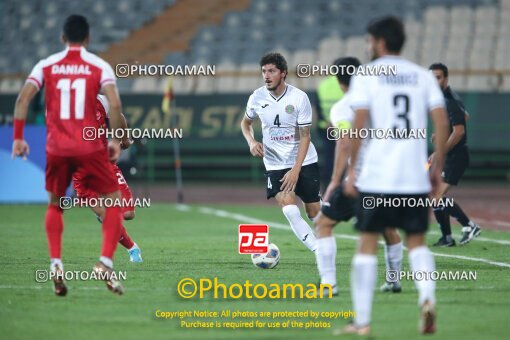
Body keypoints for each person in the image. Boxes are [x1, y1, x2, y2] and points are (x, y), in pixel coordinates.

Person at [340, 16, 449, 335]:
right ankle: (427, 300)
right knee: (416, 243)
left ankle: (362, 322)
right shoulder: (421, 75)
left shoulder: (366, 76)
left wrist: (351, 172)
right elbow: (441, 123)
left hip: (376, 177)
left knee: (366, 244)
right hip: (412, 176)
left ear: (380, 42)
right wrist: (436, 168)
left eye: (369, 41)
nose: (368, 46)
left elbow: (359, 125)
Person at [11, 15, 126, 296]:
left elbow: (23, 99)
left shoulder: (46, 64)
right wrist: (115, 139)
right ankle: (105, 263)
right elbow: (115, 103)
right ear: (87, 39)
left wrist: (17, 138)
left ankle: (55, 263)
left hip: (57, 147)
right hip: (89, 146)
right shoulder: (99, 66)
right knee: (114, 203)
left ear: (63, 38)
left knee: (55, 205)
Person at [314, 57, 403, 297]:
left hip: (360, 180)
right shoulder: (381, 102)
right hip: (386, 177)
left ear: (339, 81)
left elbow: (343, 143)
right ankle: (394, 280)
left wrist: (335, 180)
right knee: (388, 229)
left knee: (322, 224)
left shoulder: (342, 107)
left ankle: (328, 284)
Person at [241, 52, 320, 253]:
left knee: (314, 213)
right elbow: (246, 123)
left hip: (304, 160)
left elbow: (305, 136)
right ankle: (319, 250)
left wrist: (295, 170)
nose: (266, 76)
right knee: (289, 207)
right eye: (264, 71)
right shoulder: (257, 97)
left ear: (283, 73)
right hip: (275, 162)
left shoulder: (299, 98)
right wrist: (251, 141)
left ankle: (321, 209)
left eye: (272, 71)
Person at [72, 95, 143, 262]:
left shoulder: (100, 100)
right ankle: (132, 248)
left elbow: (118, 116)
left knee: (128, 213)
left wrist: (124, 137)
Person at [428, 63, 481, 246]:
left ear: (446, 78)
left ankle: (469, 225)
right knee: (434, 195)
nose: (435, 81)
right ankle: (447, 238)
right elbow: (464, 116)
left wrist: (440, 151)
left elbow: (459, 132)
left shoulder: (450, 100)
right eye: (432, 77)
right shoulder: (442, 99)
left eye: (438, 77)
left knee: (436, 196)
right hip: (452, 155)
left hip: (456, 156)